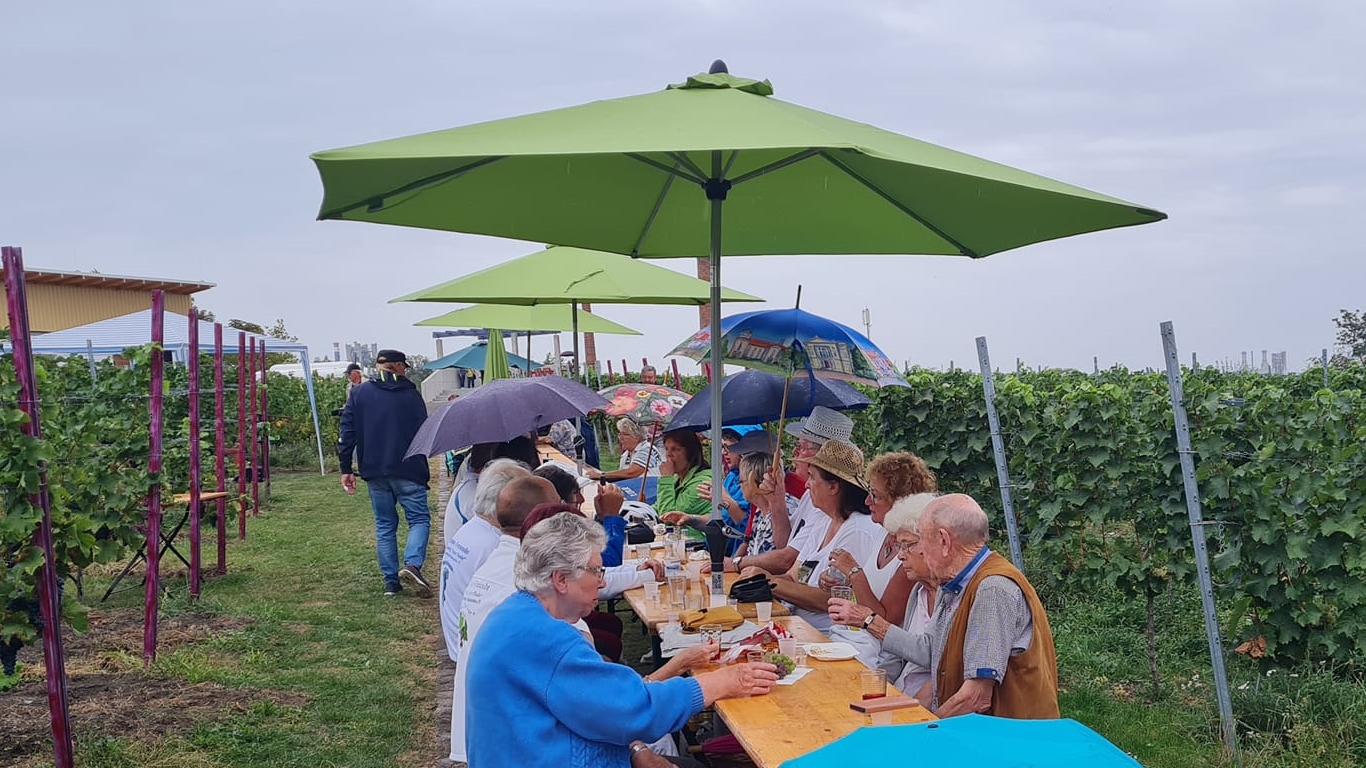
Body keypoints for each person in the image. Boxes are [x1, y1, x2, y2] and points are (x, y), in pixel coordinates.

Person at [465, 512, 779, 768]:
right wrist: (723, 681)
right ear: (560, 579)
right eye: (595, 571)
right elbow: (633, 709)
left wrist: (634, 751)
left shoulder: (517, 615)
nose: (602, 582)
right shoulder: (546, 639)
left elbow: (595, 711)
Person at [452, 481, 667, 763]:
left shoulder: (507, 570)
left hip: (492, 734)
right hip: (526, 744)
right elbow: (610, 704)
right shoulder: (543, 605)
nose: (574, 503)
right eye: (563, 508)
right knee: (662, 742)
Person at [450, 476, 562, 763]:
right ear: (543, 519)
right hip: (514, 738)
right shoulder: (526, 583)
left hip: (485, 725)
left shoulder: (496, 565)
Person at [918, 494, 1059, 718]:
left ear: (945, 541)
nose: (920, 550)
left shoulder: (992, 589)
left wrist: (926, 732)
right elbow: (938, 680)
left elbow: (976, 698)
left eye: (922, 539)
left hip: (1009, 743)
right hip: (983, 736)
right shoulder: (958, 585)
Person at [739, 439, 882, 633]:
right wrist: (758, 579)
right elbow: (793, 576)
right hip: (797, 627)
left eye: (812, 478)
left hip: (828, 640)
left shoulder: (857, 530)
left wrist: (768, 582)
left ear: (834, 487)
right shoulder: (824, 520)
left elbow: (828, 600)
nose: (806, 485)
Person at [819, 452, 938, 664]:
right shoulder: (882, 534)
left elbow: (885, 620)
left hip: (883, 660)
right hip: (859, 645)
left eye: (876, 495)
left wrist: (855, 574)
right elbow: (868, 595)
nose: (867, 501)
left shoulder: (912, 555)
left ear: (899, 501)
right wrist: (841, 581)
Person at [338, 348, 434, 597]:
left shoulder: (359, 394)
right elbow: (424, 432)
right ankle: (412, 564)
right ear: (398, 366)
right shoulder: (411, 395)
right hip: (409, 468)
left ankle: (391, 582)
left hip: (375, 468)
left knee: (384, 525)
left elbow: (347, 432)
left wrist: (346, 468)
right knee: (419, 519)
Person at [721, 406, 854, 577]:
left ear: (823, 455)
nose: (794, 453)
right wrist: (776, 500)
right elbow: (786, 545)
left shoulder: (827, 506)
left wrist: (737, 564)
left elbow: (787, 560)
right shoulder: (809, 496)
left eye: (802, 448)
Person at [439, 459, 530, 661]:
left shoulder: (473, 530)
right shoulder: (495, 545)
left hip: (463, 640)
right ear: (506, 501)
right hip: (475, 652)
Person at [655, 431, 719, 529]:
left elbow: (668, 518)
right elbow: (658, 507)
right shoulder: (678, 479)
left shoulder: (701, 484)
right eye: (666, 449)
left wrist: (666, 479)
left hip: (697, 540)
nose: (668, 455)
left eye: (675, 449)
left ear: (690, 453)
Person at [586, 418, 662, 482]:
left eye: (625, 434)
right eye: (620, 434)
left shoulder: (647, 449)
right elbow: (622, 475)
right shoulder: (627, 453)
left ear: (637, 437)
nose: (620, 438)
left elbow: (631, 473)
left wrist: (601, 475)